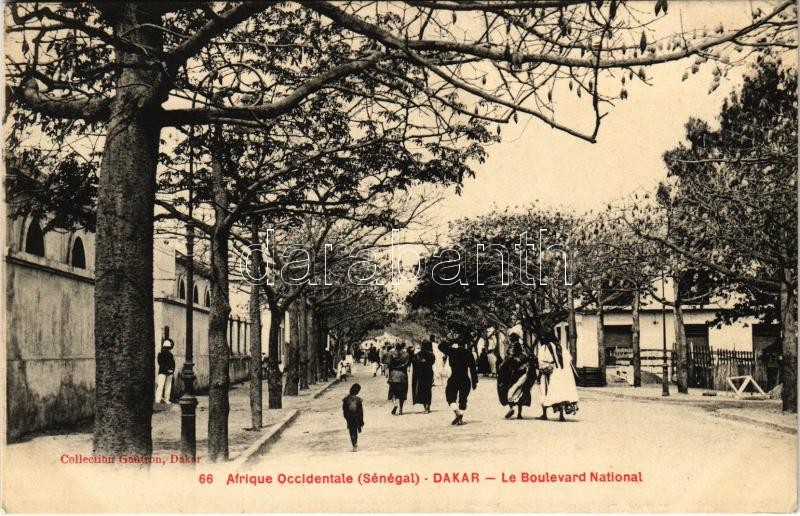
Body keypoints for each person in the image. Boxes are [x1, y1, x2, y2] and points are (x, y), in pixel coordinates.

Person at [536, 336, 579, 421]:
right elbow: (569, 360)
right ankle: (561, 416)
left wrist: (541, 371)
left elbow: (541, 362)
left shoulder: (544, 347)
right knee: (561, 393)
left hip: (550, 373)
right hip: (564, 374)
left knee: (544, 391)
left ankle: (544, 414)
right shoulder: (561, 347)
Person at [438, 337, 478, 425]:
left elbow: (440, 346)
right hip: (465, 378)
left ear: (457, 344)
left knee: (450, 396)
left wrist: (450, 340)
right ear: (465, 344)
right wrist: (475, 382)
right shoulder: (469, 353)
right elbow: (473, 370)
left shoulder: (452, 351)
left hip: (454, 377)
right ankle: (460, 418)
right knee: (463, 399)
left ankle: (456, 412)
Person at [496, 333, 537, 419]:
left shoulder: (512, 347)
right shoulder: (523, 349)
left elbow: (508, 359)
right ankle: (519, 414)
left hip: (513, 374)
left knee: (510, 390)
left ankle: (511, 408)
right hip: (523, 373)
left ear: (511, 339)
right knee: (521, 392)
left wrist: (501, 366)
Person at [412, 340, 436, 413]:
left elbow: (414, 362)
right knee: (428, 390)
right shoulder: (432, 354)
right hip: (429, 373)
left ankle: (425, 408)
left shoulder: (419, 354)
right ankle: (428, 407)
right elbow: (432, 362)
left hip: (421, 374)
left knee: (422, 390)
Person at [386, 342, 411, 415]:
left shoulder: (391, 354)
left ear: (395, 347)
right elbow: (407, 364)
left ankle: (395, 404)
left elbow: (389, 364)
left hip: (393, 375)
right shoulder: (406, 355)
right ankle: (401, 409)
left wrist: (389, 373)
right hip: (403, 375)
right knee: (402, 393)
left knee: (393, 392)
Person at [342, 383, 364, 452]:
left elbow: (344, 409)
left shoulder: (346, 399)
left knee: (351, 431)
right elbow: (361, 411)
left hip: (349, 417)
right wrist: (361, 421)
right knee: (355, 431)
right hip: (356, 417)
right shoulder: (358, 400)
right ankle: (355, 444)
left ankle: (354, 444)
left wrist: (346, 418)